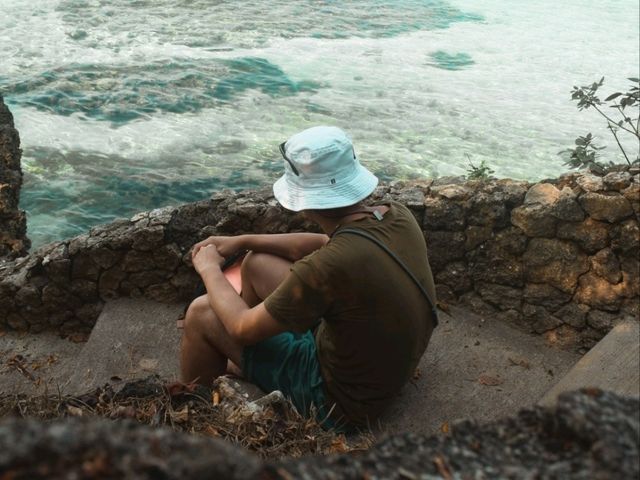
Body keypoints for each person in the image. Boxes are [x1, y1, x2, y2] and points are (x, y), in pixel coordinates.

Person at [180, 126, 437, 430]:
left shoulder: (327, 267)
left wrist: (209, 267)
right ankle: (258, 361)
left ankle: (194, 419)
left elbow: (241, 327)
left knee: (201, 313)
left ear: (308, 200)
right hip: (385, 370)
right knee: (257, 263)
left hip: (339, 403)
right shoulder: (395, 215)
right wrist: (243, 240)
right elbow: (318, 244)